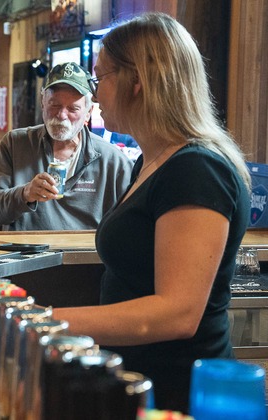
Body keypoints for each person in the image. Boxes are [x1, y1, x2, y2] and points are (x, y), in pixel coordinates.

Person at [51, 13, 250, 413]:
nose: (95, 92)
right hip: (141, 382)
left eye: (100, 77)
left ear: (137, 80)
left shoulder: (196, 168)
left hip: (178, 391)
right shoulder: (152, 161)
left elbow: (176, 313)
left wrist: (48, 320)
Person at [0, 62, 133, 230]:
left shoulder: (113, 161)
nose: (61, 115)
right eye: (55, 105)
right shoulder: (15, 144)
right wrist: (25, 194)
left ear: (88, 112)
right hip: (27, 254)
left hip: (86, 255)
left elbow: (130, 226)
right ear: (42, 102)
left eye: (73, 109)